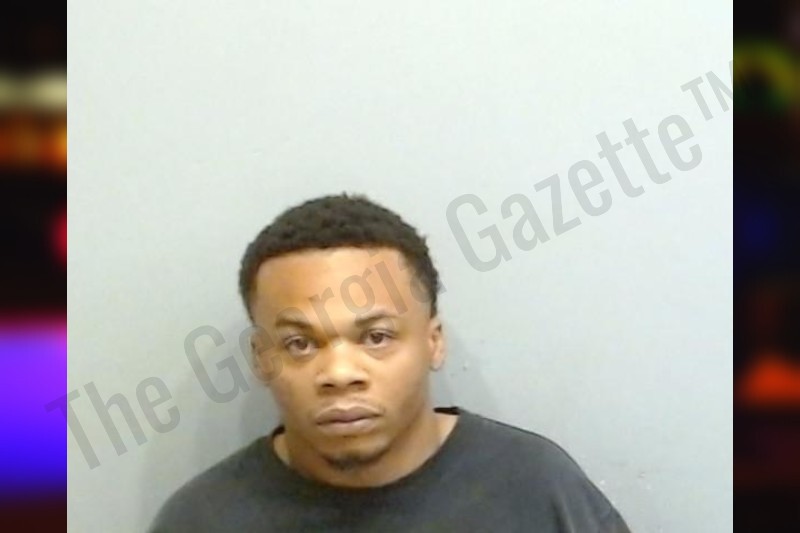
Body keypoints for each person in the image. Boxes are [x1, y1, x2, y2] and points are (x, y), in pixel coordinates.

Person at [149, 193, 631, 532]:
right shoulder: (202, 520)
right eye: (299, 344)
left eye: (376, 337)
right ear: (261, 359)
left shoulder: (536, 490)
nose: (340, 374)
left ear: (433, 343)